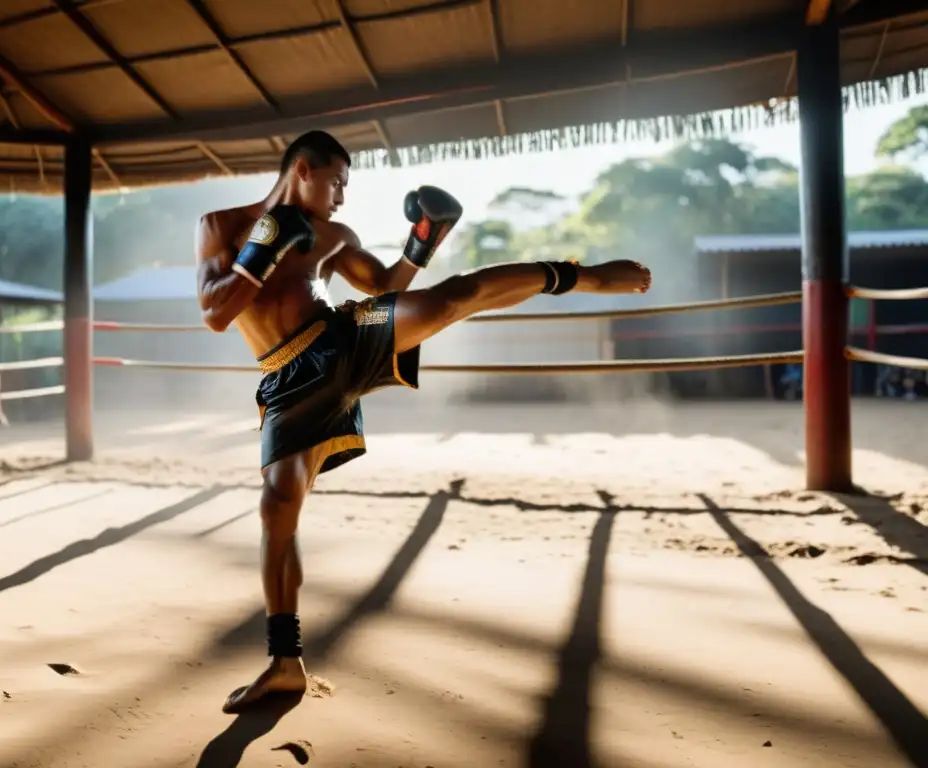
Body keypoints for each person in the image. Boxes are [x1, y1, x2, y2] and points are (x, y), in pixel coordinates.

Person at [195, 130, 651, 713]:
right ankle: (285, 664)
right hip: (286, 380)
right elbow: (215, 312)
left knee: (452, 298)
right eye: (336, 182)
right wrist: (260, 253)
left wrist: (422, 242)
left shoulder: (337, 236)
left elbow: (384, 287)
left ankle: (583, 276)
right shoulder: (219, 226)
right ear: (303, 169)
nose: (341, 197)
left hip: (340, 337)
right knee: (278, 509)